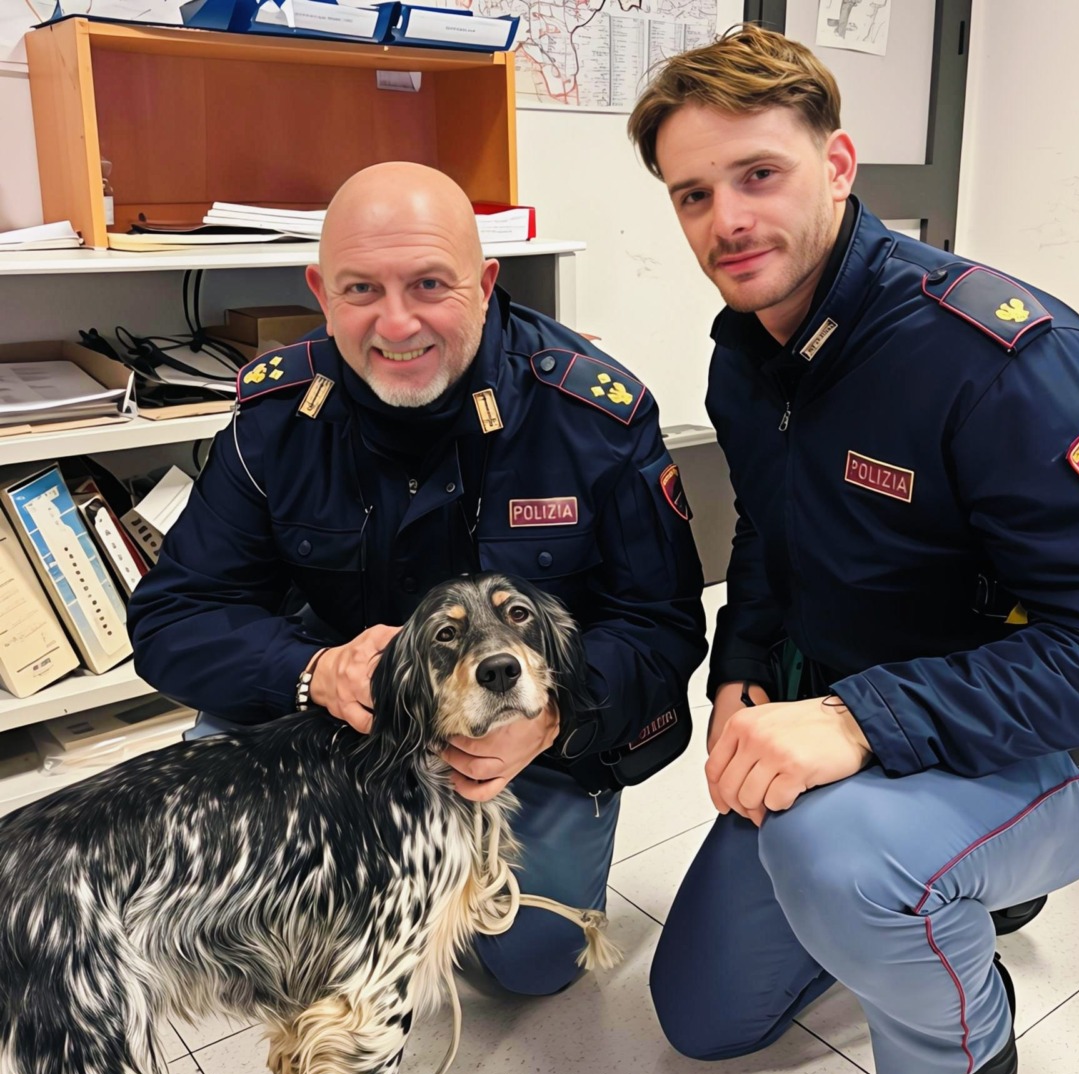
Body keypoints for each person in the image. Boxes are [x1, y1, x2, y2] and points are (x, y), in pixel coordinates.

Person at [628, 25, 1079, 1074]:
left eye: (756, 174)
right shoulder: (750, 354)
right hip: (873, 729)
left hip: (1059, 752)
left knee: (833, 853)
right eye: (692, 194)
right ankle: (961, 885)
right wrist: (743, 673)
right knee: (704, 1019)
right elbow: (769, 547)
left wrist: (859, 722)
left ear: (836, 163)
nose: (725, 217)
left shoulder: (1002, 360)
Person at [128, 162, 706, 997]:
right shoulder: (277, 419)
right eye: (361, 289)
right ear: (321, 292)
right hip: (342, 721)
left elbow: (660, 625)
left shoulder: (593, 420)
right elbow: (175, 614)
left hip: (518, 735)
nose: (396, 323)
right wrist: (311, 672)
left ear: (484, 283)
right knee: (231, 908)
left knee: (528, 960)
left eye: (430, 284)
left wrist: (554, 719)